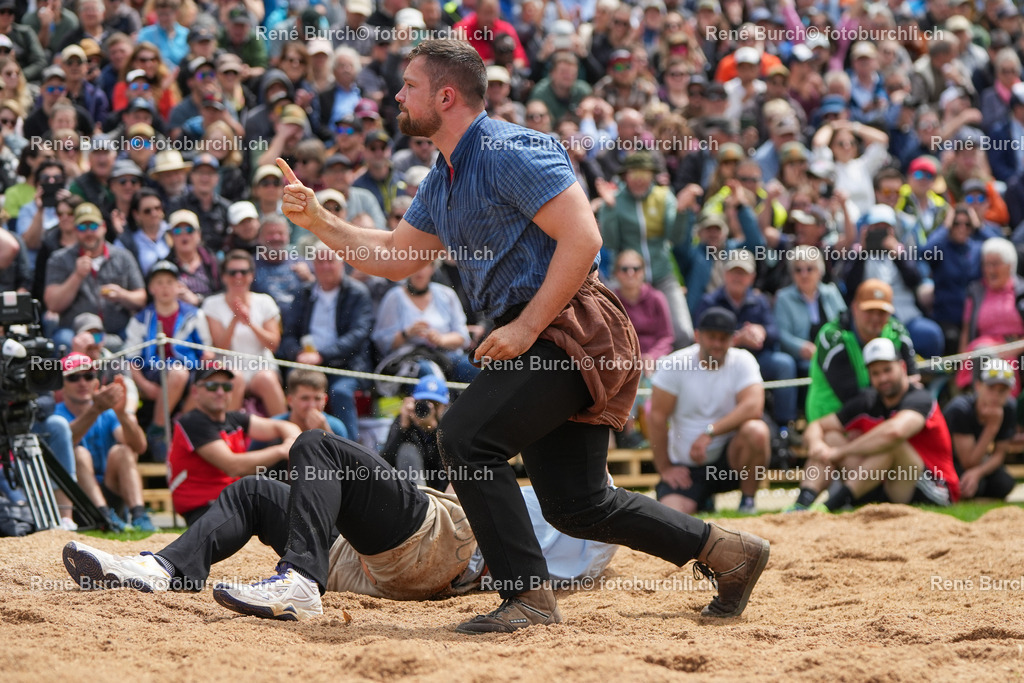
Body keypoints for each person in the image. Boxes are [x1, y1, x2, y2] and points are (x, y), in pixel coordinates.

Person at [238, 39, 770, 632]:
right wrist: (317, 220)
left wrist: (524, 326)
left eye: (409, 85)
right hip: (545, 331)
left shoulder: (510, 149)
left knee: (465, 439)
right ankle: (730, 553)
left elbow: (584, 240)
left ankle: (528, 598)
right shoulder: (442, 178)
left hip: (569, 327)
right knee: (577, 503)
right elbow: (391, 258)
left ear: (446, 96)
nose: (396, 95)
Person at [61, 441, 617, 620]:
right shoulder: (543, 488)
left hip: (439, 545)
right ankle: (164, 569)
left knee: (317, 444)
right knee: (254, 491)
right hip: (371, 562)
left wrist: (487, 570)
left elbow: (564, 570)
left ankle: (300, 580)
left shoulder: (595, 509)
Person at [796, 337, 959, 511]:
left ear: (902, 367)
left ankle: (830, 506)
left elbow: (894, 433)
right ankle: (801, 505)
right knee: (830, 437)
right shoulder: (867, 400)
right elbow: (816, 426)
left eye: (887, 370)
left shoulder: (920, 399)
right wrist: (817, 444)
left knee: (891, 444)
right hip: (884, 482)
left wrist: (841, 452)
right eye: (875, 373)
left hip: (934, 487)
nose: (882, 378)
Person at [649, 307, 771, 515]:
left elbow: (754, 406)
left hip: (728, 462)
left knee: (757, 430)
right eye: (711, 337)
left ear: (733, 339)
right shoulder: (674, 364)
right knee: (672, 515)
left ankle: (748, 502)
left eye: (723, 338)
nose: (717, 344)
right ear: (697, 336)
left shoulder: (743, 360)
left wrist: (709, 432)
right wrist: (665, 468)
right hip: (687, 468)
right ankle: (703, 499)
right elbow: (657, 418)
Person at [167, 365, 300, 525]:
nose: (220, 392)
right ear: (195, 391)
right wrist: (282, 450)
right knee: (281, 453)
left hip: (231, 501)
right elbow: (233, 466)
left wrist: (291, 442)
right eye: (212, 386)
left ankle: (301, 511)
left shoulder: (234, 418)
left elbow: (285, 426)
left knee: (287, 446)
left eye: (227, 386)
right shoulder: (192, 421)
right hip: (204, 509)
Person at [278, 242, 373, 441]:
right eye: (320, 261)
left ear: (342, 264)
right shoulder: (303, 292)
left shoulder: (358, 293)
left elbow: (359, 334)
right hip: (306, 364)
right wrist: (297, 353)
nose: (325, 266)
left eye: (330, 260)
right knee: (291, 388)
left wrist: (322, 355)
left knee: (340, 393)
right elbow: (288, 334)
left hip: (345, 366)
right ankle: (286, 444)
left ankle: (351, 452)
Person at [124, 260, 213, 462]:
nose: (165, 287)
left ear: (178, 286)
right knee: (178, 372)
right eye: (159, 282)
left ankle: (179, 428)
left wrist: (206, 367)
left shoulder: (194, 315)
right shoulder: (140, 319)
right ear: (151, 288)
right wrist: (145, 386)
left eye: (169, 282)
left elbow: (207, 352)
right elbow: (132, 359)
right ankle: (158, 431)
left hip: (190, 371)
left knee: (211, 376)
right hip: (154, 372)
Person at [55, 353, 155, 532]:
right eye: (73, 377)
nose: (82, 382)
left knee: (123, 450)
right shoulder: (55, 416)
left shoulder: (107, 413)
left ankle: (140, 516)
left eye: (88, 376)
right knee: (78, 454)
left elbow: (139, 447)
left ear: (96, 381)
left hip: (111, 492)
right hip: (75, 500)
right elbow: (65, 444)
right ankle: (105, 518)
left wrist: (122, 413)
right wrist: (96, 409)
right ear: (62, 384)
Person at [806, 279, 918, 422]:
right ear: (854, 308)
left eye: (882, 312)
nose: (875, 318)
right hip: (832, 418)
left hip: (884, 416)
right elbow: (852, 397)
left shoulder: (898, 332)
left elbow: (913, 380)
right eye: (869, 311)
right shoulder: (832, 338)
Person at [43, 201, 146, 350]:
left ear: (103, 227)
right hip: (75, 332)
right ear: (75, 231)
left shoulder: (123, 257)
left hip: (116, 330)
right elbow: (53, 304)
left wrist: (122, 295)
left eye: (93, 226)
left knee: (135, 340)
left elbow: (141, 298)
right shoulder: (59, 259)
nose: (88, 232)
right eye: (82, 227)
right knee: (62, 340)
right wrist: (77, 276)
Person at [201, 250, 287, 417]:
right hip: (228, 369)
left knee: (268, 380)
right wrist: (235, 320)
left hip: (261, 369)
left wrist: (250, 323)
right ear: (224, 277)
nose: (238, 276)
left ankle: (288, 433)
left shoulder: (265, 301)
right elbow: (220, 347)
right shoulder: (212, 304)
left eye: (244, 272)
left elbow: (273, 344)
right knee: (235, 378)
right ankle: (229, 435)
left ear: (251, 275)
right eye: (232, 272)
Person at [942, 358, 1019, 501]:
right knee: (974, 485)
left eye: (1002, 390)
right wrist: (992, 427)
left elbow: (999, 454)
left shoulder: (1009, 407)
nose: (996, 395)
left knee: (1004, 483)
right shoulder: (960, 409)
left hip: (977, 461)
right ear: (978, 386)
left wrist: (978, 472)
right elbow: (968, 462)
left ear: (1010, 391)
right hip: (946, 463)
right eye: (991, 388)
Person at [380, 374, 449, 490]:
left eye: (435, 404)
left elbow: (448, 469)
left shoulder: (448, 425)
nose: (428, 408)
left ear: (444, 406)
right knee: (407, 450)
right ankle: (418, 502)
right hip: (410, 492)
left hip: (441, 493)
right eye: (424, 402)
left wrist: (435, 431)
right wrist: (403, 428)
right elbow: (384, 464)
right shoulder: (404, 421)